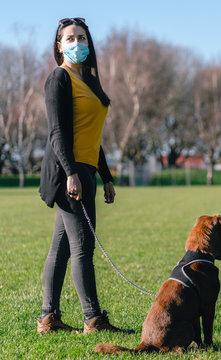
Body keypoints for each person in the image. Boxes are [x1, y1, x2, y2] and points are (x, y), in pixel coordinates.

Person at [38, 17, 128, 334]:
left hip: (86, 171)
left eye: (82, 37)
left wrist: (106, 177)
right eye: (70, 38)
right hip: (69, 174)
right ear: (59, 45)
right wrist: (71, 173)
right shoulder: (59, 79)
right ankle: (93, 319)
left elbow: (92, 137)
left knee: (61, 249)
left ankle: (48, 318)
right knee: (83, 249)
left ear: (89, 45)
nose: (77, 43)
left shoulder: (88, 83)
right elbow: (58, 133)